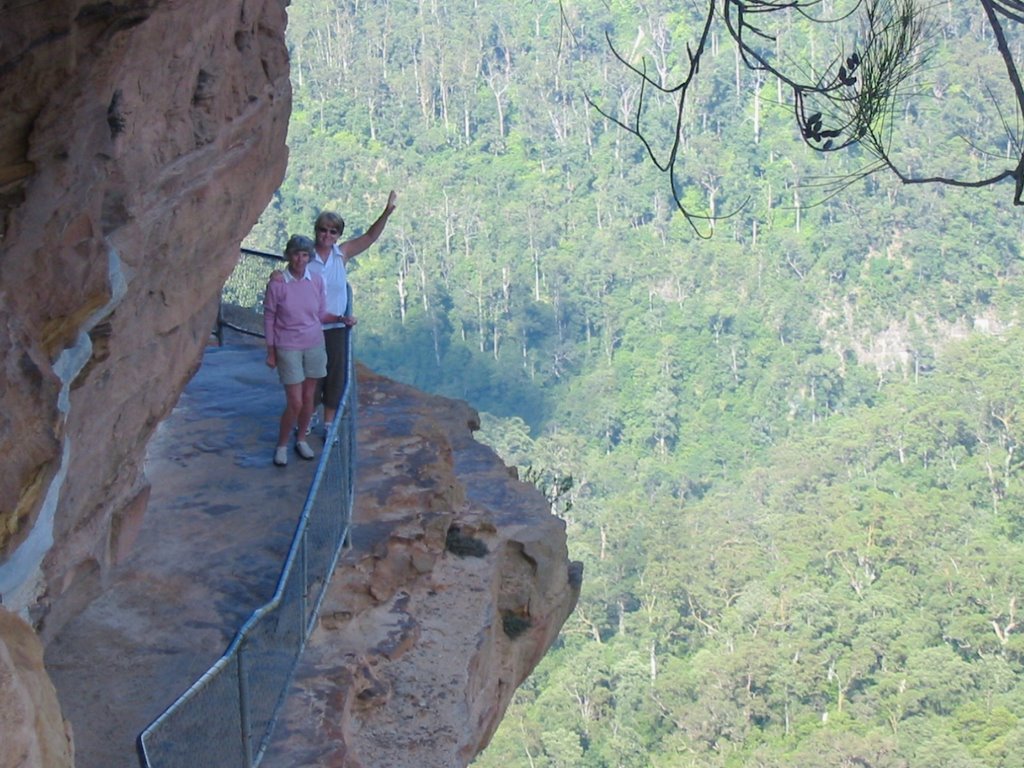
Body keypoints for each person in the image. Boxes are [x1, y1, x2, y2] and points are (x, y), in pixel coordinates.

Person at [307, 191, 397, 431]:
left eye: (332, 231)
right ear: (316, 231)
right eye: (323, 229)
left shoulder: (342, 254)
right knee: (311, 377)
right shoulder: (306, 257)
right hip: (309, 327)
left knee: (334, 377)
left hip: (336, 327)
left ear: (338, 235)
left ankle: (328, 424)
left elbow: (369, 237)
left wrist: (386, 213)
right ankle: (306, 421)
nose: (327, 235)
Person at [263, 235, 343, 466]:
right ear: (289, 255)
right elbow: (269, 317)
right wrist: (271, 351)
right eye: (297, 254)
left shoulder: (316, 281)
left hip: (314, 343)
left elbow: (320, 314)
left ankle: (300, 439)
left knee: (309, 399)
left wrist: (340, 318)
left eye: (305, 255)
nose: (300, 259)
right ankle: (281, 444)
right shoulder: (278, 283)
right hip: (288, 345)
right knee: (295, 402)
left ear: (310, 258)